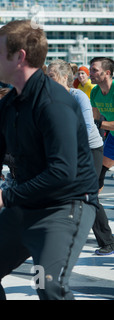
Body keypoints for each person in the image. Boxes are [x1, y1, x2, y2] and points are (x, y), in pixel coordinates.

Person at [0, 20, 98, 300]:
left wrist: (5, 197)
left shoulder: (54, 103)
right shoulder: (9, 105)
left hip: (65, 206)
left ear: (20, 56)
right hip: (25, 202)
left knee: (47, 285)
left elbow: (62, 173)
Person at [47, 59, 113, 257]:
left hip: (89, 148)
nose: (47, 81)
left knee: (88, 192)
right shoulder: (49, 96)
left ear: (64, 78)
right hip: (67, 149)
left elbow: (87, 126)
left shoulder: (78, 96)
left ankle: (107, 240)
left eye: (51, 77)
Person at [89, 56, 114, 255]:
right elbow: (96, 121)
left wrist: (96, 125)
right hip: (112, 139)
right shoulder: (96, 91)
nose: (91, 73)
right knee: (95, 180)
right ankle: (107, 240)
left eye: (95, 70)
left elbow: (96, 123)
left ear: (107, 72)